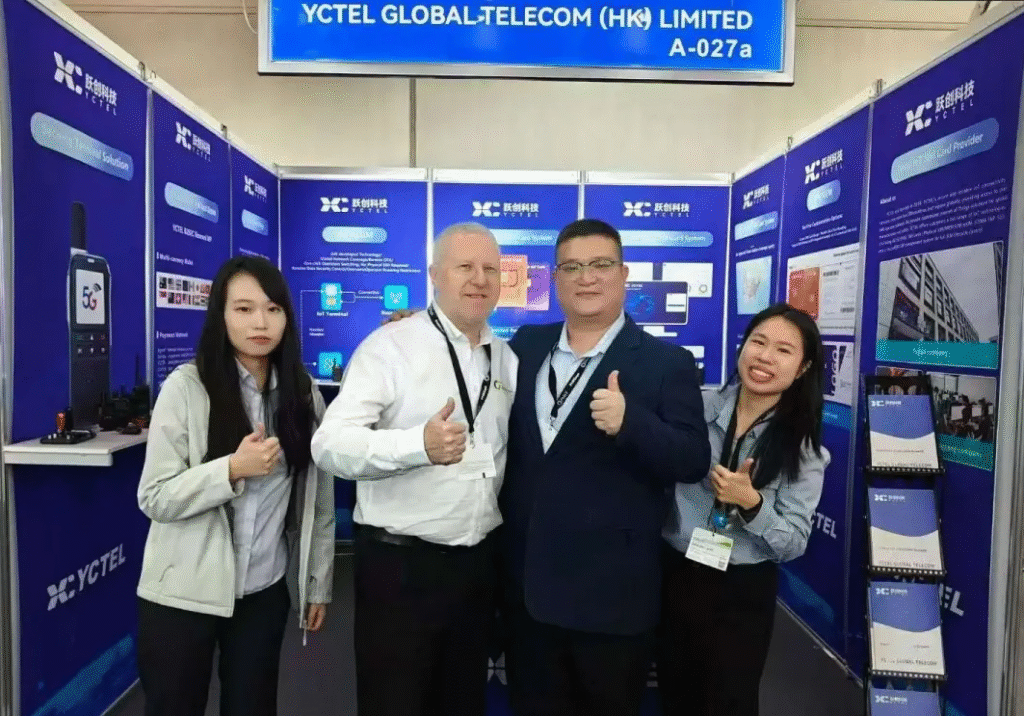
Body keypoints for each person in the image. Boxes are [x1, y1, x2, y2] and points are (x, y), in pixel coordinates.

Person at [501, 218, 710, 716]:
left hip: (612, 600)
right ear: (555, 279)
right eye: (572, 267)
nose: (586, 277)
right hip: (529, 593)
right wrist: (417, 329)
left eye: (600, 264)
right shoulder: (525, 345)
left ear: (623, 273)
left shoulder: (666, 361)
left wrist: (631, 423)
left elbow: (692, 458)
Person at [311, 223, 518, 716]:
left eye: (490, 269)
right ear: (434, 275)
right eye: (464, 267)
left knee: (462, 704)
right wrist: (416, 446)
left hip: (476, 569)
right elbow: (329, 445)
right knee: (394, 704)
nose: (479, 279)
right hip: (401, 570)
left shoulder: (506, 359)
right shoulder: (390, 347)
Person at [136, 256, 335, 716]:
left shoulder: (303, 393)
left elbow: (318, 499)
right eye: (243, 309)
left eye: (273, 309)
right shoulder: (187, 388)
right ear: (221, 316)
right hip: (184, 593)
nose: (260, 323)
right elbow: (155, 496)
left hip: (263, 591)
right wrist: (229, 469)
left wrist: (317, 582)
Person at [658, 303, 829, 716]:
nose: (765, 357)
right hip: (676, 572)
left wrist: (752, 504)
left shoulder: (802, 448)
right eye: (758, 342)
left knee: (730, 701)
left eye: (784, 351)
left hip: (741, 589)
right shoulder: (693, 410)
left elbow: (794, 543)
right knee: (675, 694)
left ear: (803, 368)